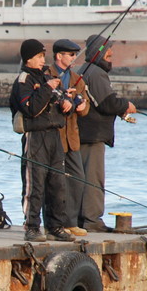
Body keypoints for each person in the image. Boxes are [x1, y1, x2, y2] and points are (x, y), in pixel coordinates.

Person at [9, 39, 75, 242]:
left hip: (54, 135)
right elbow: (31, 109)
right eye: (38, 56)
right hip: (35, 137)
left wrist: (68, 101)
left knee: (57, 183)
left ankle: (55, 226)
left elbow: (59, 100)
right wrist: (47, 88)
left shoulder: (47, 77)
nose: (42, 60)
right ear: (28, 58)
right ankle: (31, 227)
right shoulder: (24, 80)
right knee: (34, 184)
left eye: (42, 56)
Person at [77, 34, 137, 232]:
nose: (111, 53)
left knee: (83, 178)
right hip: (92, 137)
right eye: (107, 50)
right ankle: (92, 221)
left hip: (84, 135)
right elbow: (107, 102)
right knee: (94, 179)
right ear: (97, 53)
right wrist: (125, 105)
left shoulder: (86, 70)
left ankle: (82, 219)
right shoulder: (96, 73)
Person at [46, 39, 90, 238]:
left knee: (78, 178)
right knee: (55, 182)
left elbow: (85, 103)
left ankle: (71, 222)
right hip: (54, 137)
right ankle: (54, 224)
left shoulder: (76, 78)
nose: (74, 58)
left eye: (75, 55)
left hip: (72, 138)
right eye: (70, 55)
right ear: (59, 56)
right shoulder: (48, 75)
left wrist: (82, 106)